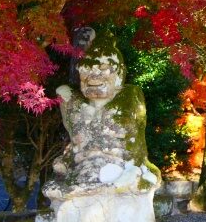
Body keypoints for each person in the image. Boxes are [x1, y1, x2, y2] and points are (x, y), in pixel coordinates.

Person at [45, 28, 160, 198]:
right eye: (86, 69)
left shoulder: (130, 96)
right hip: (81, 166)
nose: (93, 76)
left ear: (119, 72)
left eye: (103, 68)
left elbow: (137, 142)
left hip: (121, 164)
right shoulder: (72, 100)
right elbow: (72, 136)